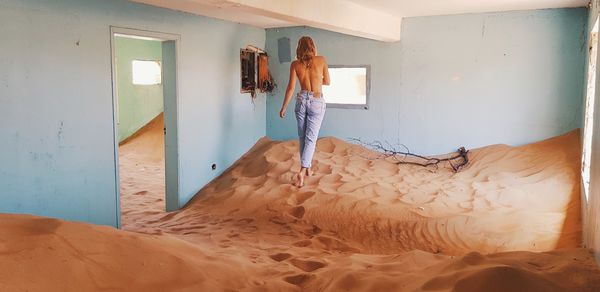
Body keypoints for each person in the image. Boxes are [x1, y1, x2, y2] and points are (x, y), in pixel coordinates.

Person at [279, 36, 330, 187]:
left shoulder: (295, 64)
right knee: (311, 138)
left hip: (301, 100)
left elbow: (290, 88)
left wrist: (284, 107)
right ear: (313, 46)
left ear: (299, 48)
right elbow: (327, 81)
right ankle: (302, 171)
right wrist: (316, 78)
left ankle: (307, 169)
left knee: (302, 137)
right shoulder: (321, 60)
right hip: (316, 100)